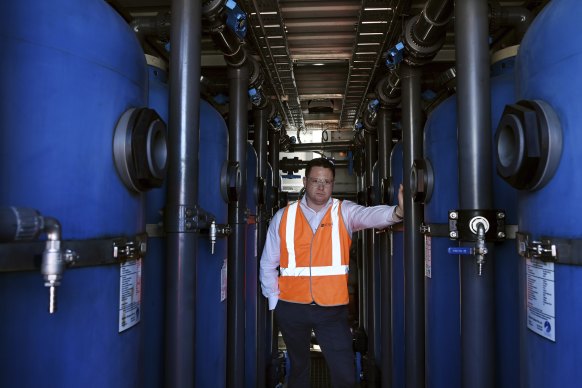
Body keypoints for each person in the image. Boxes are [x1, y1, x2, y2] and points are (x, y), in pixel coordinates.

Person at [259, 157, 404, 387]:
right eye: (316, 180)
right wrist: (275, 303)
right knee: (298, 370)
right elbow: (268, 263)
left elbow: (370, 215)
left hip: (332, 310)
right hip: (291, 307)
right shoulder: (283, 216)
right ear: (305, 181)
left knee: (345, 372)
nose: (321, 186)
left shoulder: (343, 212)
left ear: (333, 184)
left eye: (327, 182)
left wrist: (397, 212)